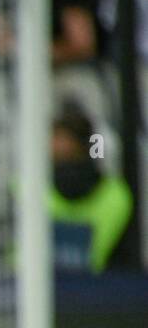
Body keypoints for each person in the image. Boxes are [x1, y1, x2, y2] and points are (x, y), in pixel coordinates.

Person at [50, 100, 134, 272]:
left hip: (94, 293)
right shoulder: (25, 188)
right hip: (26, 291)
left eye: (65, 142)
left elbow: (124, 262)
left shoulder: (115, 195)